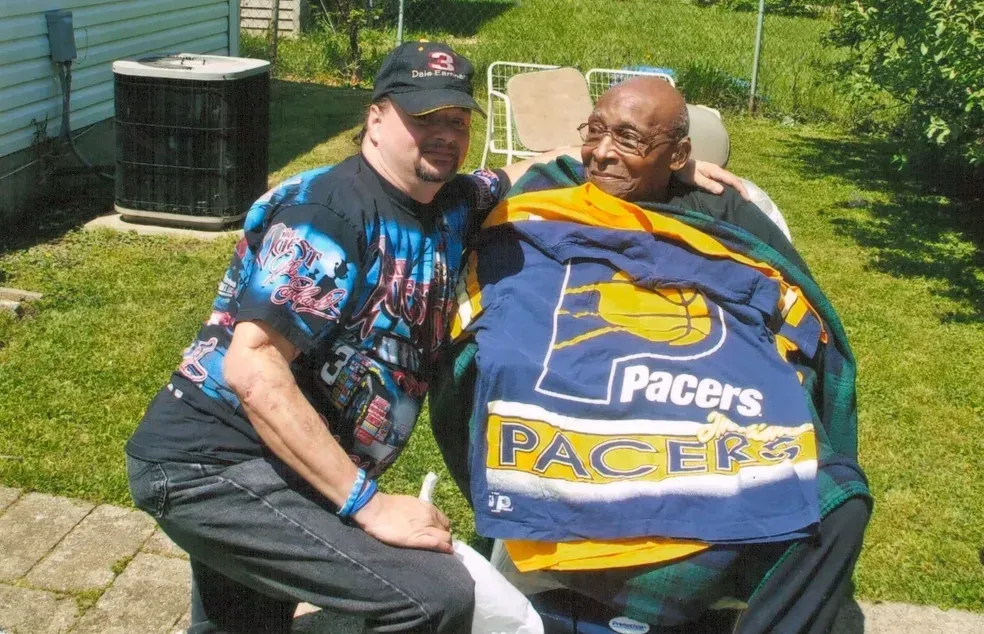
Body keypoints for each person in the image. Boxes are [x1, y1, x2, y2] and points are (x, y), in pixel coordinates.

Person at [125, 41, 745, 633]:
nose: (445, 134)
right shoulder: (331, 215)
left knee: (244, 625)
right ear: (375, 117)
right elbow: (253, 368)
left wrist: (673, 165)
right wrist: (367, 504)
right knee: (433, 597)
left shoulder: (448, 201)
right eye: (424, 118)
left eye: (457, 118)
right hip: (214, 465)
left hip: (279, 463)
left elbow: (529, 169)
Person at [430, 77, 871, 633]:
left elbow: (793, 298)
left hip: (704, 396)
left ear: (679, 154)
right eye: (595, 130)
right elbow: (466, 226)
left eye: (630, 140)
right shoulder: (544, 192)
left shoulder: (726, 212)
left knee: (835, 501)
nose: (603, 152)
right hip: (579, 389)